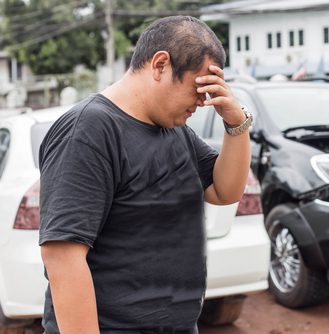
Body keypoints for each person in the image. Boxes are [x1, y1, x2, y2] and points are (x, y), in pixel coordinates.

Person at [38, 16, 251, 334]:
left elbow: (224, 191)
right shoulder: (90, 129)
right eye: (198, 88)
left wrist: (237, 124)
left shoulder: (173, 130)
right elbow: (62, 256)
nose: (203, 102)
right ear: (161, 65)